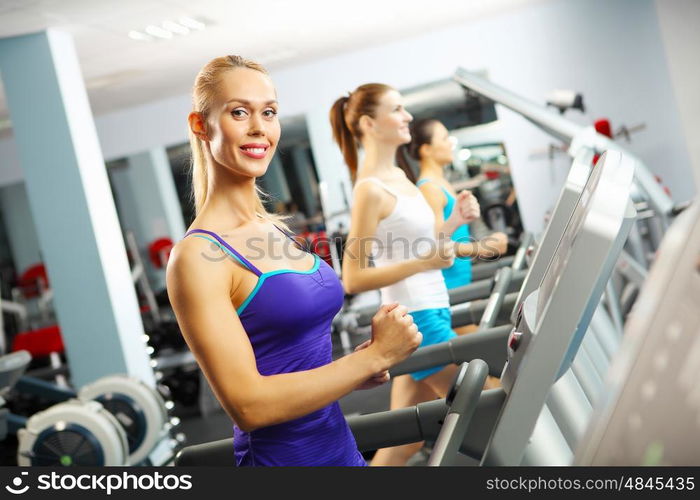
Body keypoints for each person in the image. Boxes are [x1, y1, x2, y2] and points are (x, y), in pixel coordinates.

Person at [166, 56, 422, 466]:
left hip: (341, 452)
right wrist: (370, 358)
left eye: (268, 112)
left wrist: (354, 369)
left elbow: (287, 360)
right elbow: (249, 407)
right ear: (201, 125)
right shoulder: (197, 256)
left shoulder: (275, 230)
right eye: (239, 112)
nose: (259, 128)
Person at [330, 84, 507, 466]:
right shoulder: (369, 190)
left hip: (429, 311)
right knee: (496, 408)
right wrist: (423, 264)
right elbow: (353, 278)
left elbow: (424, 249)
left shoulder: (397, 174)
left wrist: (455, 221)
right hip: (417, 320)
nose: (407, 116)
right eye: (397, 109)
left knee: (404, 444)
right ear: (369, 124)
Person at [401, 118, 508, 290]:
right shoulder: (429, 188)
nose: (450, 143)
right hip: (448, 284)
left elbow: (453, 235)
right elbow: (434, 245)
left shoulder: (442, 182)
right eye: (444, 138)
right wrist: (482, 248)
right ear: (426, 150)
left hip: (460, 277)